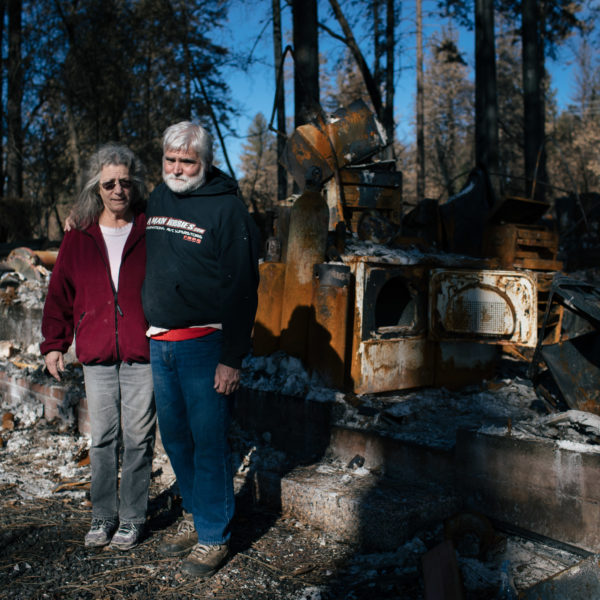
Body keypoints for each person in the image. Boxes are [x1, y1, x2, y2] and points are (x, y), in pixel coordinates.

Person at [142, 121, 259, 577]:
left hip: (205, 346)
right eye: (170, 159)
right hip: (160, 343)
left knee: (209, 443)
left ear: (205, 164)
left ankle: (214, 536)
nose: (177, 168)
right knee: (174, 439)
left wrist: (233, 356)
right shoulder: (156, 196)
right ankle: (195, 515)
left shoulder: (228, 211)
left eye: (186, 160)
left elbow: (244, 286)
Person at [40, 143, 155, 551]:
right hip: (98, 353)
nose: (118, 190)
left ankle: (133, 517)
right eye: (109, 183)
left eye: (125, 182)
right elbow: (59, 293)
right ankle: (103, 515)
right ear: (97, 187)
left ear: (134, 184)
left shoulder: (150, 228)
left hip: (142, 351)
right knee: (103, 438)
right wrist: (55, 344)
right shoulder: (79, 236)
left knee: (139, 438)